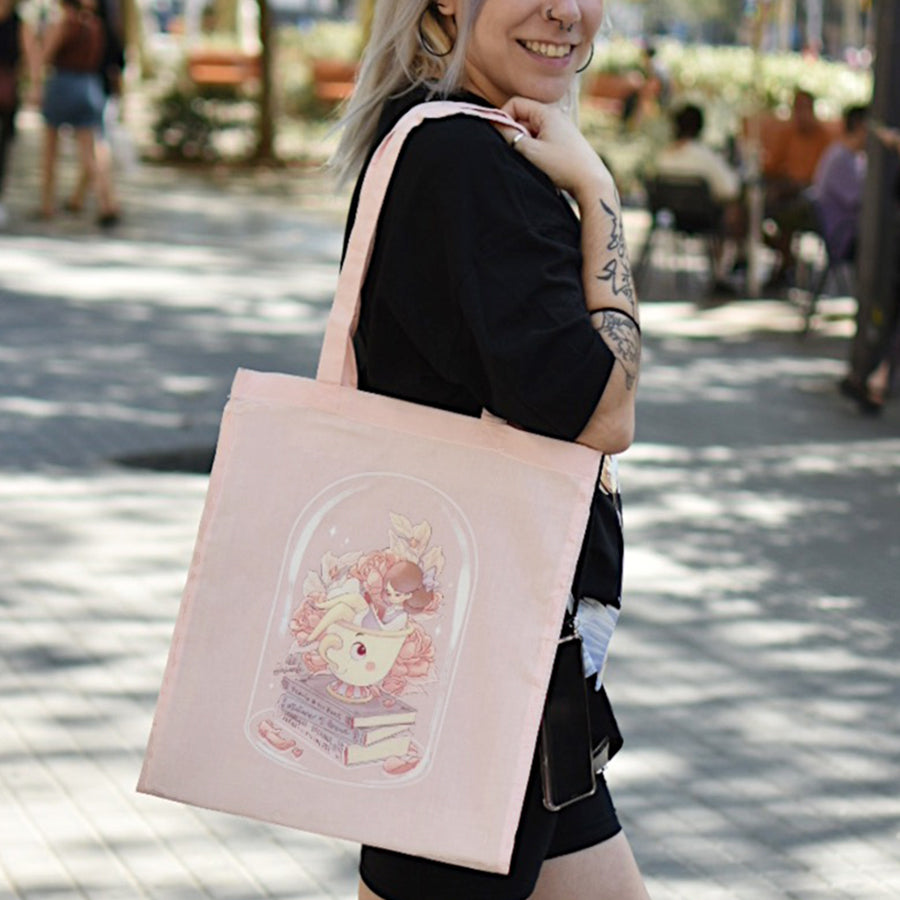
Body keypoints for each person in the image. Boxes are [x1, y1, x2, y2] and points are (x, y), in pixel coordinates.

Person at [332, 2, 649, 899]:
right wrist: (600, 196)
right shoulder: (472, 162)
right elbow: (605, 410)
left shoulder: (429, 136)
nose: (567, 11)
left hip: (508, 647)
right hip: (477, 658)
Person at [34, 0, 118, 224]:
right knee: (90, 150)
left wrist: (35, 84)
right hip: (89, 85)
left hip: (64, 82)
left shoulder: (63, 21)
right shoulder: (96, 24)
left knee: (51, 149)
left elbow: (45, 55)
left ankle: (46, 203)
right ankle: (106, 201)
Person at [656, 102, 745, 283]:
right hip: (705, 220)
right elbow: (730, 188)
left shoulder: (663, 156)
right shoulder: (703, 156)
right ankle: (730, 267)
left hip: (672, 218)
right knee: (735, 208)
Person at [762, 89, 834, 287]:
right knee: (750, 214)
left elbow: (820, 177)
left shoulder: (824, 138)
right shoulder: (787, 133)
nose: (800, 114)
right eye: (797, 108)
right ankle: (786, 261)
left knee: (788, 216)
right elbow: (771, 167)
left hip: (808, 197)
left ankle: (785, 266)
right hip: (784, 191)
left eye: (804, 108)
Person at [812, 104, 870, 265]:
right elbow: (859, 200)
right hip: (843, 236)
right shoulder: (840, 158)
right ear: (860, 126)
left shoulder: (852, 158)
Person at [0, 0, 39, 228]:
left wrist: (34, 86)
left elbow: (30, 56)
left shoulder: (19, 24)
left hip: (6, 92)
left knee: (3, 146)